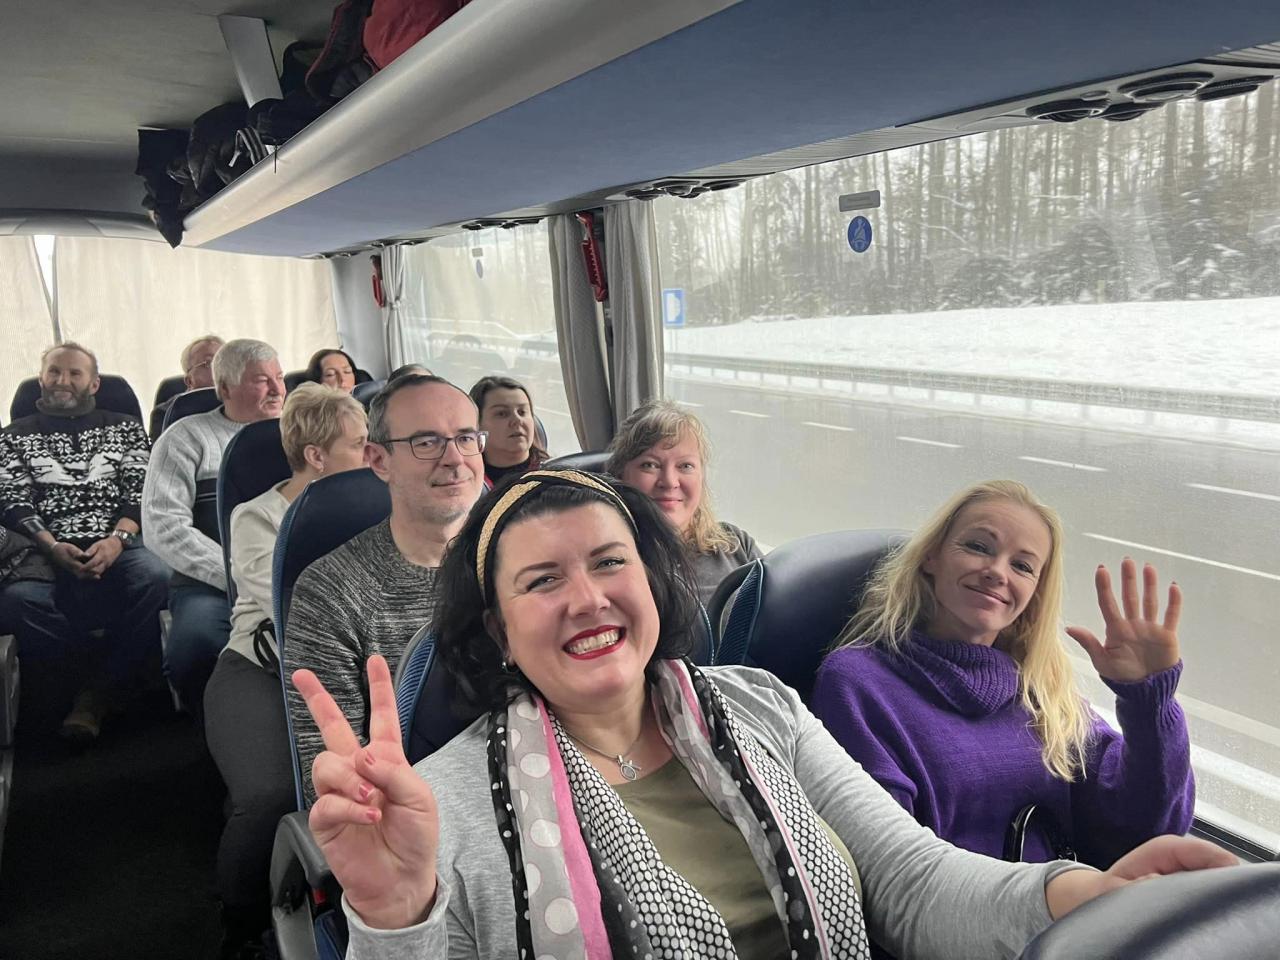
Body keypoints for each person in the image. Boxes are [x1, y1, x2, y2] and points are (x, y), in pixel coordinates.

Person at [292, 469, 1234, 960]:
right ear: (500, 631)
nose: (588, 599)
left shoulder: (760, 706)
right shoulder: (443, 800)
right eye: (542, 581)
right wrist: (395, 917)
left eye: (611, 563)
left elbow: (912, 882)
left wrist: (1079, 899)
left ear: (653, 585)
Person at [812, 480, 1195, 868]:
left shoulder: (1043, 693)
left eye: (1022, 566)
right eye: (978, 547)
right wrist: (1055, 891)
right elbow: (890, 865)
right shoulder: (857, 682)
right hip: (967, 904)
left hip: (1067, 901)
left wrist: (1149, 702)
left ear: (1034, 594)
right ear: (931, 556)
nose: (997, 572)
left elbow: (1148, 831)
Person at [204, 383, 368, 958]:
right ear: (317, 456)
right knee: (270, 793)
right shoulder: (257, 517)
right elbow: (289, 608)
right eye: (359, 445)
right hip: (261, 668)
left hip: (352, 665)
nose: (373, 455)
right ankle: (241, 920)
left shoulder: (379, 504)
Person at [283, 374, 485, 801]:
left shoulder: (524, 563)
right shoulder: (330, 593)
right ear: (378, 460)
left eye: (466, 438)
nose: (455, 459)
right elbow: (338, 781)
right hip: (414, 813)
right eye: (427, 442)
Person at [0, 342, 170, 740]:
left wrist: (117, 541)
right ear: (41, 379)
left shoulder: (125, 427)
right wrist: (51, 546)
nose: (63, 380)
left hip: (121, 538)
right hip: (41, 547)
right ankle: (101, 682)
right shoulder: (11, 437)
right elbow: (12, 499)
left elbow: (141, 490)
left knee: (158, 577)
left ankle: (94, 692)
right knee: (19, 601)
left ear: (94, 384)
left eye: (74, 373)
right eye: (54, 372)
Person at [142, 338, 286, 717]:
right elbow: (164, 526)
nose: (277, 389)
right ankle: (215, 733)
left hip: (295, 576)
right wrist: (237, 575)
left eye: (280, 377)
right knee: (197, 648)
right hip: (212, 584)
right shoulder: (185, 438)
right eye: (261, 380)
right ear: (225, 388)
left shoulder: (304, 434)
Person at [607, 399, 761, 605]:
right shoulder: (610, 564)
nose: (670, 482)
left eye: (685, 466)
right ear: (620, 476)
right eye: (650, 465)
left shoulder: (736, 544)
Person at [468, 375, 548, 487]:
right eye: (502, 413)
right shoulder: (465, 484)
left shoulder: (555, 476)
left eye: (522, 412)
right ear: (477, 424)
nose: (517, 420)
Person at [150, 334, 224, 440]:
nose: (220, 368)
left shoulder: (240, 404)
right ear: (189, 381)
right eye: (209, 363)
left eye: (224, 361)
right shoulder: (166, 413)